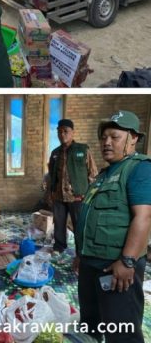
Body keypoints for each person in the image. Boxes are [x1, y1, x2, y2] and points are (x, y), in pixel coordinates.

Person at [75, 110, 151, 343]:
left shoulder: (139, 168)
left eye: (114, 137)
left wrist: (127, 261)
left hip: (116, 269)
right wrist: (81, 255)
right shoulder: (104, 175)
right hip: (90, 264)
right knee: (90, 324)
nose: (106, 142)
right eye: (103, 137)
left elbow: (144, 217)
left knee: (121, 331)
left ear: (133, 138)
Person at [47, 118, 97, 253]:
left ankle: (81, 251)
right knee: (59, 224)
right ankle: (59, 247)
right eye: (59, 131)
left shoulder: (83, 149)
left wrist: (90, 195)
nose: (62, 134)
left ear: (72, 132)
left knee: (79, 225)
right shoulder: (55, 153)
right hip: (59, 196)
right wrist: (50, 193)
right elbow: (51, 175)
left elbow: (92, 173)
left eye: (65, 131)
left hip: (77, 197)